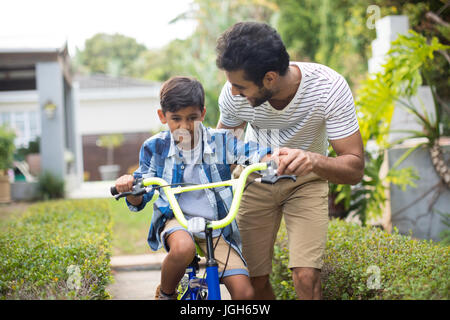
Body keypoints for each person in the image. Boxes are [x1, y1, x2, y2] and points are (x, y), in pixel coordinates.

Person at [215, 22, 365, 300]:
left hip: (306, 182)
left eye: (240, 86)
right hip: (254, 179)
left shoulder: (328, 87)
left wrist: (312, 161)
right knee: (251, 282)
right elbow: (222, 150)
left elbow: (355, 167)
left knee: (306, 277)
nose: (234, 92)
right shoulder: (233, 94)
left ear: (269, 78)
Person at [114, 76, 272, 300]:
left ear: (203, 114)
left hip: (216, 226)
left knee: (245, 293)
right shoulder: (155, 147)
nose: (185, 126)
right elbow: (142, 192)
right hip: (178, 221)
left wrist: (271, 160)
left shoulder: (221, 141)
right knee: (183, 248)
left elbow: (249, 150)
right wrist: (129, 188)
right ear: (162, 116)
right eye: (176, 118)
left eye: (192, 118)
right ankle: (166, 294)